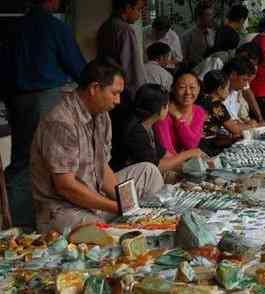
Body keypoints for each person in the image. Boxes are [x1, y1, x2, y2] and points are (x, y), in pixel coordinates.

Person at [31, 59, 164, 233]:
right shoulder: (61, 122)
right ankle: (125, 228)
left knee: (149, 171)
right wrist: (117, 207)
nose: (118, 100)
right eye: (114, 93)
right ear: (94, 88)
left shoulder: (101, 115)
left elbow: (103, 167)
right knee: (109, 234)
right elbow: (66, 187)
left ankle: (144, 221)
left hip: (94, 195)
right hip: (63, 210)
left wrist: (128, 203)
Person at [7, 0, 86, 229]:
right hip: (45, 98)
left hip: (17, 99)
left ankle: (18, 226)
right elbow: (79, 68)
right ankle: (41, 224)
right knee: (53, 163)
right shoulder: (55, 27)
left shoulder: (14, 27)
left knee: (22, 160)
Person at [110, 84, 205, 172]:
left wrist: (188, 161)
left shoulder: (148, 126)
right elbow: (156, 166)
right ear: (161, 108)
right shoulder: (136, 131)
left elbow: (164, 154)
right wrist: (188, 154)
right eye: (167, 105)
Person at [97, 0, 146, 101]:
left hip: (107, 86)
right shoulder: (125, 30)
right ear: (128, 8)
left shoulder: (105, 26)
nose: (139, 14)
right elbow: (132, 69)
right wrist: (141, 95)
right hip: (124, 91)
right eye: (139, 9)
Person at [198, 70, 251, 156]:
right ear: (219, 89)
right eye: (227, 87)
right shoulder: (217, 106)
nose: (228, 91)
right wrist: (252, 126)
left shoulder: (200, 100)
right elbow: (236, 130)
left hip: (197, 143)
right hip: (206, 147)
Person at [153, 70, 206, 154]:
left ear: (198, 89)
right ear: (173, 89)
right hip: (168, 163)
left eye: (192, 87)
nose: (188, 92)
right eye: (182, 87)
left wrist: (178, 117)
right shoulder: (163, 113)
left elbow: (192, 144)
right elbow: (167, 151)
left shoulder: (199, 111)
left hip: (185, 161)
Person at [181, 3, 216, 67]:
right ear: (199, 17)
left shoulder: (214, 34)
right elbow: (183, 59)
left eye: (211, 15)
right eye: (208, 15)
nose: (211, 18)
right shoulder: (188, 35)